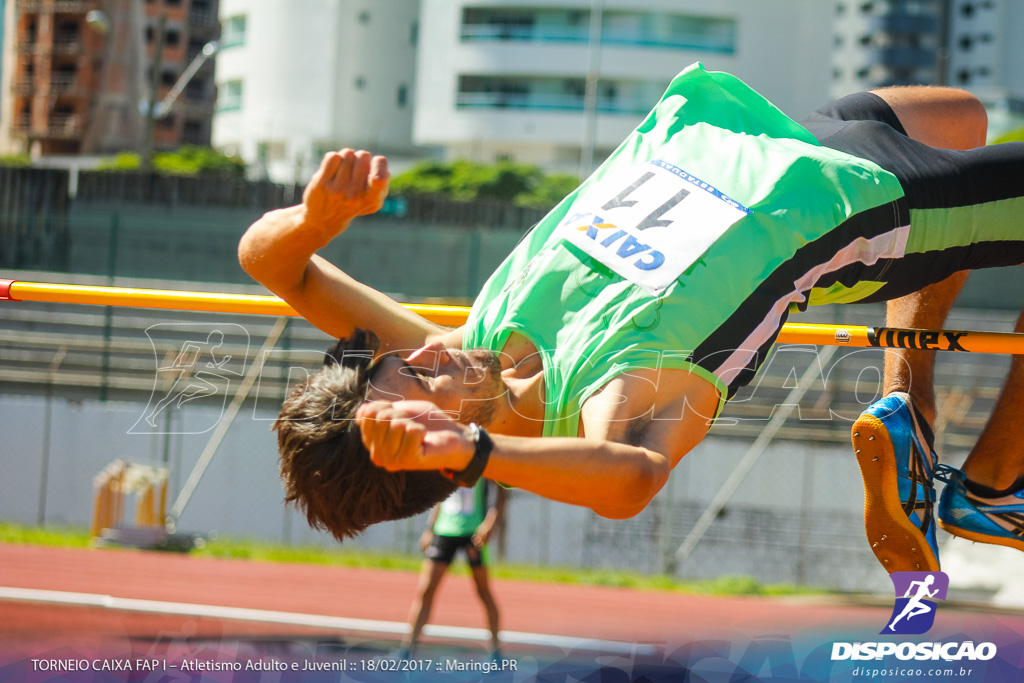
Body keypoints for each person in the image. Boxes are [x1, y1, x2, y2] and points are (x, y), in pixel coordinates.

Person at [239, 63, 1024, 575]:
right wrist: (476, 451)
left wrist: (314, 218)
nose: (430, 356)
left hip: (764, 138)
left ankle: (907, 408)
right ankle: (992, 482)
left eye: (405, 362)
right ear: (440, 450)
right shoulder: (608, 393)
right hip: (863, 202)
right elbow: (631, 481)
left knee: (962, 114)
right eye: (419, 381)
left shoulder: (470, 344)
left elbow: (267, 260)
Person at [398, 479, 506, 659]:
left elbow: (501, 492)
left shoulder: (483, 454)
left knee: (483, 591)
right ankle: (406, 650)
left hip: (474, 533)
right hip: (444, 531)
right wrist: (429, 528)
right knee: (425, 590)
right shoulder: (446, 458)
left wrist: (490, 522)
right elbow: (440, 496)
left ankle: (496, 652)